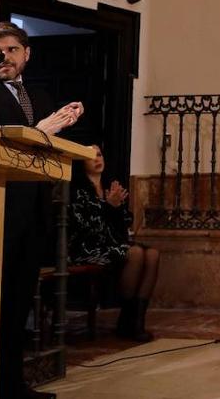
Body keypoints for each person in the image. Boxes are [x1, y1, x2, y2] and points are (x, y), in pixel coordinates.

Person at [0, 22, 84, 399]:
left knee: (17, 306)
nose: (3, 57)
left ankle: (11, 386)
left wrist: (62, 126)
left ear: (27, 53)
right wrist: (40, 131)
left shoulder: (40, 96)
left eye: (11, 49)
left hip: (35, 213)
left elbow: (50, 151)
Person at [68, 144, 161, 342]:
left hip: (110, 243)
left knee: (152, 254)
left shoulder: (110, 186)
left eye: (99, 154)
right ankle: (126, 320)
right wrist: (108, 207)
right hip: (86, 247)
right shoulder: (77, 190)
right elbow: (87, 229)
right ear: (81, 161)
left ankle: (135, 321)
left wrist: (117, 208)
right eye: (90, 156)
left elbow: (125, 223)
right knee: (135, 254)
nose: (97, 159)